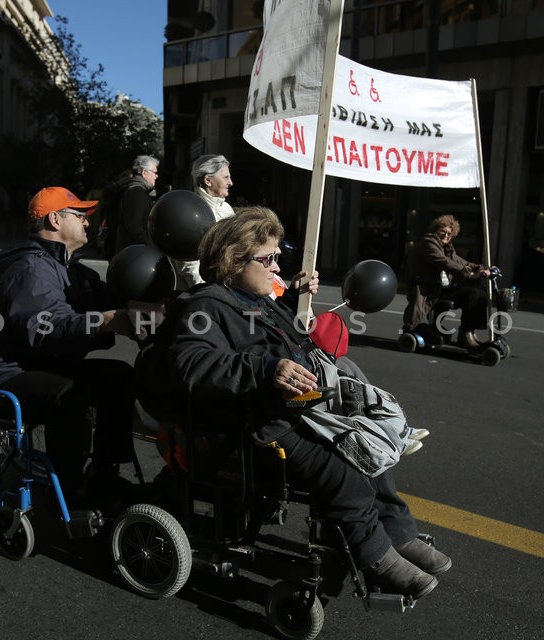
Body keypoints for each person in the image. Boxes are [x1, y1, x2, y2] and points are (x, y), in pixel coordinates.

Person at [166, 206, 450, 600]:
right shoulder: (206, 306)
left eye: (277, 256)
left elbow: (293, 337)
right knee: (345, 469)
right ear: (234, 260)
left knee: (374, 447)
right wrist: (266, 369)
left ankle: (399, 534)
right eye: (268, 259)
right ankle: (377, 557)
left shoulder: (258, 299)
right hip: (259, 426)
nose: (276, 266)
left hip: (302, 409)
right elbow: (191, 363)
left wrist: (297, 300)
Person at [0, 186, 153, 494]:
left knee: (119, 376)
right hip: (7, 372)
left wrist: (148, 305)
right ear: (54, 219)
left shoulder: (69, 268)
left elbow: (112, 296)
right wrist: (106, 321)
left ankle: (104, 471)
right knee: (68, 394)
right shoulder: (31, 269)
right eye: (80, 215)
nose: (88, 223)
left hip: (43, 364)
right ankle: (70, 489)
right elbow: (47, 329)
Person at [402, 214, 492, 349]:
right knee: (472, 292)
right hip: (428, 290)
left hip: (442, 289)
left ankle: (467, 332)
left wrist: (483, 268)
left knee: (477, 294)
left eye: (449, 233)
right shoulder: (428, 243)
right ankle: (421, 332)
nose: (446, 235)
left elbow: (461, 261)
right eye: (442, 232)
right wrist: (469, 274)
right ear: (435, 231)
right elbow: (444, 262)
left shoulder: (447, 248)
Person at [170, 154, 236, 290]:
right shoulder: (190, 212)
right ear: (208, 180)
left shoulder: (227, 209)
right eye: (225, 177)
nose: (230, 182)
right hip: (202, 295)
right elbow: (188, 263)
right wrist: (205, 292)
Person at [113, 155, 159, 254]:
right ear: (144, 172)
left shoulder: (137, 189)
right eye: (155, 172)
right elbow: (135, 227)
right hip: (134, 254)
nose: (157, 176)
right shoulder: (136, 191)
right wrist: (151, 246)